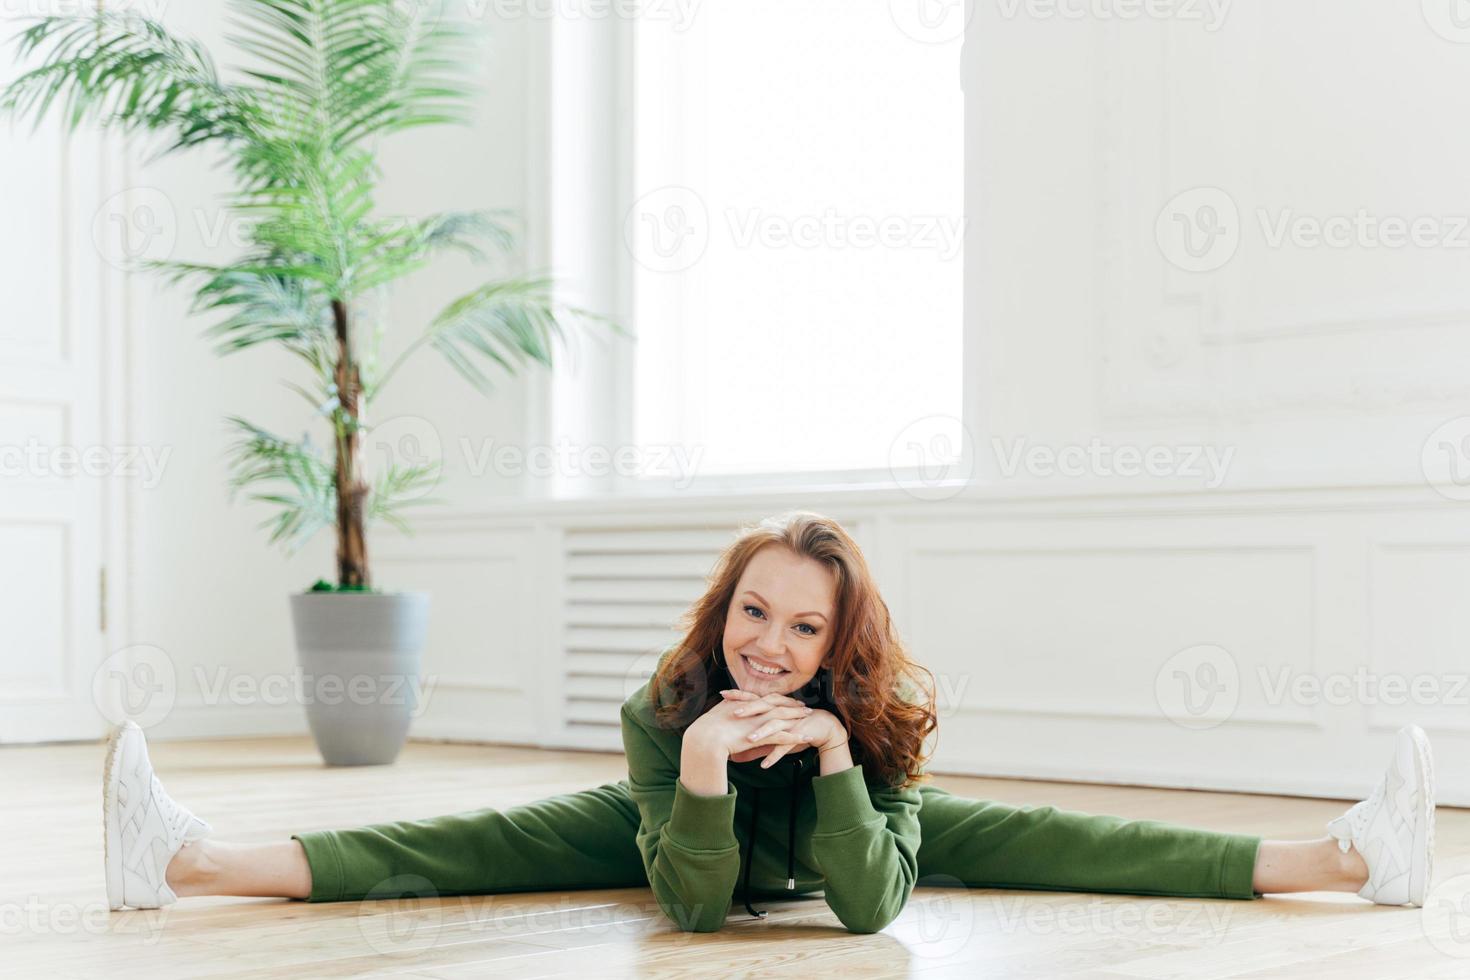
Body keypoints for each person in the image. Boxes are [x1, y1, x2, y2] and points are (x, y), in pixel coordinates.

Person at [103, 511, 1436, 932]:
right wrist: (692, 772)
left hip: (843, 807)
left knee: (1056, 833)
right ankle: (186, 860)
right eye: (755, 613)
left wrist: (844, 766)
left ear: (840, 643)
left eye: (804, 628)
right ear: (723, 606)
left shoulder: (883, 713)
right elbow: (695, 911)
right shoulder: (661, 705)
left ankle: (1345, 861)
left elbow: (865, 911)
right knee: (475, 839)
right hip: (684, 823)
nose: (770, 645)